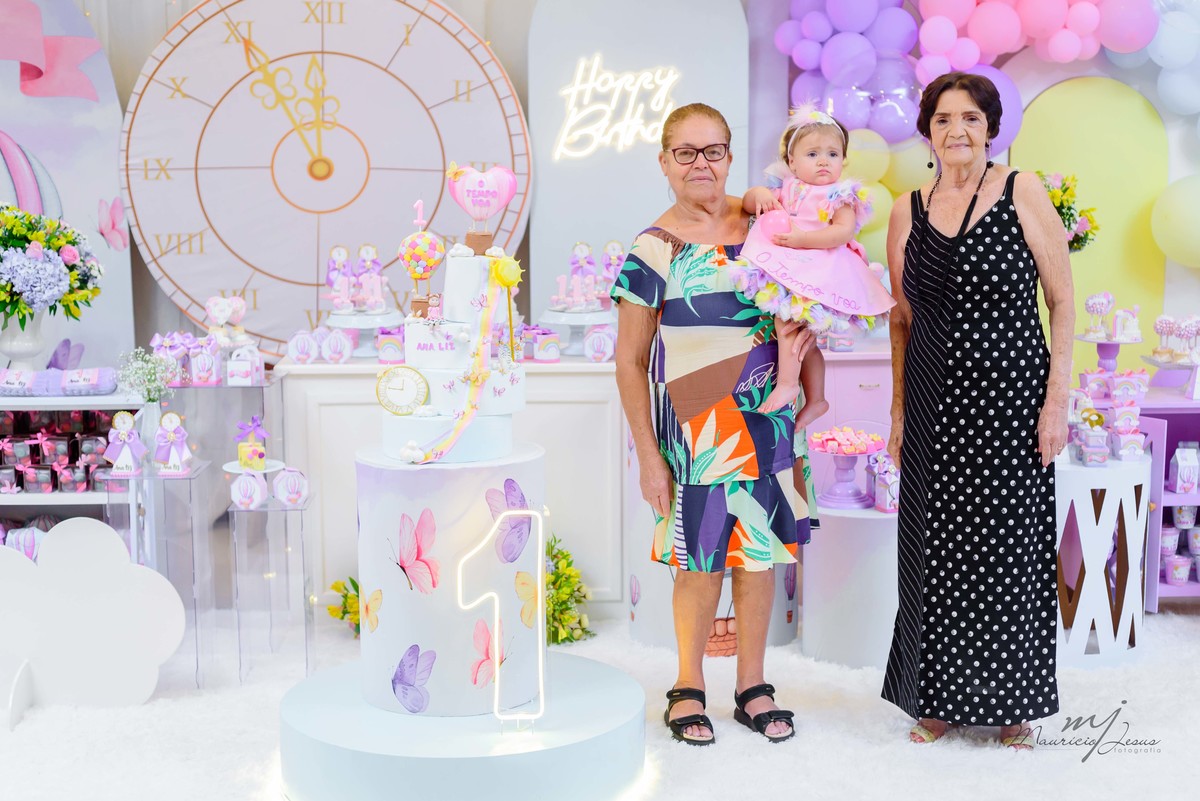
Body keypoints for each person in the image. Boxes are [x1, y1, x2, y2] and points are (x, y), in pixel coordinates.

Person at [612, 102, 817, 746]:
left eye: (713, 150)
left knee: (759, 558)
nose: (700, 164)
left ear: (730, 155)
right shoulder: (653, 247)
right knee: (698, 562)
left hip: (768, 422)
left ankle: (753, 686)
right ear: (664, 161)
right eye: (686, 152)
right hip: (696, 433)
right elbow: (629, 361)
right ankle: (688, 687)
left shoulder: (766, 226)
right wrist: (649, 456)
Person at [881, 71, 1074, 751]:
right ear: (927, 131)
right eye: (942, 118)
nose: (956, 130)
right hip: (934, 404)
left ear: (990, 127)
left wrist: (1056, 401)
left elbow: (1062, 301)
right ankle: (934, 699)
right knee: (931, 550)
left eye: (969, 117)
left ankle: (1012, 704)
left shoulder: (1021, 191)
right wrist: (899, 412)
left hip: (1012, 406)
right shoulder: (905, 209)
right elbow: (902, 320)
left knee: (1009, 551)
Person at [734, 105, 896, 422]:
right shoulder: (786, 187)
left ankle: (787, 384)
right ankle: (817, 399)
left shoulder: (839, 194)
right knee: (804, 340)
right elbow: (748, 203)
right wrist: (758, 194)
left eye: (832, 154)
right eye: (812, 154)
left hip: (822, 267)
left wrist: (803, 239)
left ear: (843, 160)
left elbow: (843, 231)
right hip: (791, 264)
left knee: (788, 324)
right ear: (792, 161)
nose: (823, 161)